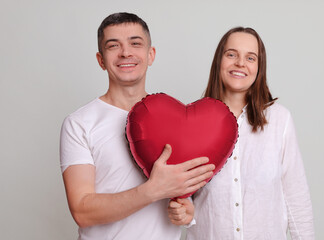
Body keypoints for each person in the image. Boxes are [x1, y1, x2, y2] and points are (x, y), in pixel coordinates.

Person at [60, 12, 215, 240]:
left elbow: (181, 196)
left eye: (135, 43)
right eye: (113, 46)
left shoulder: (175, 117)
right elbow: (83, 210)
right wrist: (153, 190)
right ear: (101, 60)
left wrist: (186, 211)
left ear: (150, 54)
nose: (126, 52)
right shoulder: (79, 123)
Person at [167, 27, 315, 239]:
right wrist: (186, 210)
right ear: (219, 60)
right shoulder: (191, 119)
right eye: (231, 54)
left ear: (259, 67)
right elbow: (183, 191)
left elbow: (296, 198)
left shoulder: (279, 120)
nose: (240, 63)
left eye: (250, 57)